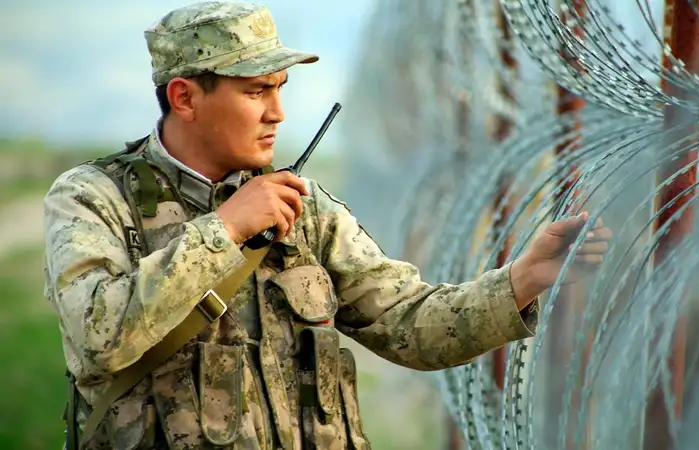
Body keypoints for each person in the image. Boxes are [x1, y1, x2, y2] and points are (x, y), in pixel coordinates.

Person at [43, 2, 612, 449]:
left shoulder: (303, 208)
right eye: (256, 91)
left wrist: (521, 280)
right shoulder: (94, 198)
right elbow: (99, 339)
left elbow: (408, 323)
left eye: (279, 89)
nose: (277, 112)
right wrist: (225, 230)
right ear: (185, 98)